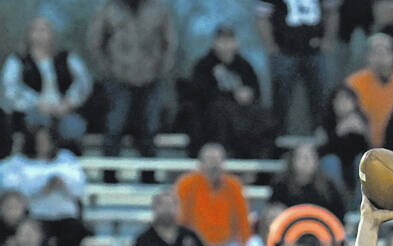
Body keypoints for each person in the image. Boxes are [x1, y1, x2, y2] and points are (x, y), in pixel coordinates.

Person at [87, 0, 176, 169]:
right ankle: (110, 176)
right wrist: (107, 70)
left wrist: (160, 70)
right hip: (117, 80)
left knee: (149, 129)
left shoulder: (159, 9)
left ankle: (148, 177)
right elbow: (95, 43)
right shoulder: (108, 9)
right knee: (114, 127)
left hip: (151, 80)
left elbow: (170, 43)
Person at [187, 24, 276, 159]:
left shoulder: (244, 65)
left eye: (230, 41)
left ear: (236, 43)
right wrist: (233, 95)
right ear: (214, 43)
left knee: (264, 118)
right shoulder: (204, 65)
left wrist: (249, 94)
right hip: (215, 117)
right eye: (222, 41)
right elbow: (201, 93)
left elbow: (255, 89)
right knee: (220, 113)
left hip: (243, 114)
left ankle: (259, 159)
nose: (226, 46)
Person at [1, 16, 91, 146]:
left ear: (52, 33)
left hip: (63, 111)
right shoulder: (18, 60)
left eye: (44, 30)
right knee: (39, 124)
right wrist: (37, 103)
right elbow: (9, 89)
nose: (40, 35)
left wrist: (69, 102)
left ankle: (68, 161)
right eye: (36, 30)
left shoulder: (66, 58)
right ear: (29, 34)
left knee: (75, 127)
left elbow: (84, 81)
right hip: (31, 113)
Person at [0, 124, 89, 246]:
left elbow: (80, 186)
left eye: (46, 141)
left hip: (64, 215)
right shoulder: (18, 163)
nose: (43, 145)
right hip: (36, 215)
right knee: (32, 236)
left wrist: (63, 183)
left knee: (78, 232)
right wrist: (42, 188)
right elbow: (11, 189)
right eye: (39, 141)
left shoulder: (65, 158)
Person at [256, 0, 339, 133]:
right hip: (285, 51)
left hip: (315, 51)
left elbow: (332, 11)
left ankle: (321, 137)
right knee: (280, 99)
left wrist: (328, 40)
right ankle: (278, 139)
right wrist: (271, 46)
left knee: (321, 98)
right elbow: (262, 17)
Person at [175, 144, 252, 246]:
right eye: (209, 160)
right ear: (200, 163)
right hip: (196, 245)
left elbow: (243, 220)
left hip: (228, 245)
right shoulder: (186, 184)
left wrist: (243, 245)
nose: (213, 165)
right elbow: (179, 219)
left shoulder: (234, 185)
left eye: (217, 160)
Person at [345, 33, 393, 148]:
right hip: (365, 146)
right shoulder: (354, 83)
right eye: (375, 53)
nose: (381, 58)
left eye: (386, 52)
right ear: (367, 57)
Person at [131, 190, 207, 246]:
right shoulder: (144, 240)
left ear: (178, 208)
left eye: (171, 204)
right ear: (154, 208)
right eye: (163, 204)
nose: (167, 209)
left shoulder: (191, 236)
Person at [269, 142, 346, 220]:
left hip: (320, 228)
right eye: (301, 157)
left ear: (316, 162)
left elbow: (340, 215)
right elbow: (273, 208)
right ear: (293, 161)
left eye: (310, 157)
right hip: (289, 227)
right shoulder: (281, 184)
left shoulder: (328, 186)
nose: (305, 161)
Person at [320, 85, 371, 194]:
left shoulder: (360, 121)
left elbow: (368, 149)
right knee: (330, 161)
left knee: (364, 161)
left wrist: (363, 133)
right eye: (339, 100)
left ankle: (360, 205)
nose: (343, 104)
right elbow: (323, 150)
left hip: (355, 165)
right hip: (335, 165)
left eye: (347, 99)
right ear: (333, 103)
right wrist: (340, 131)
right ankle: (339, 202)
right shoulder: (327, 122)